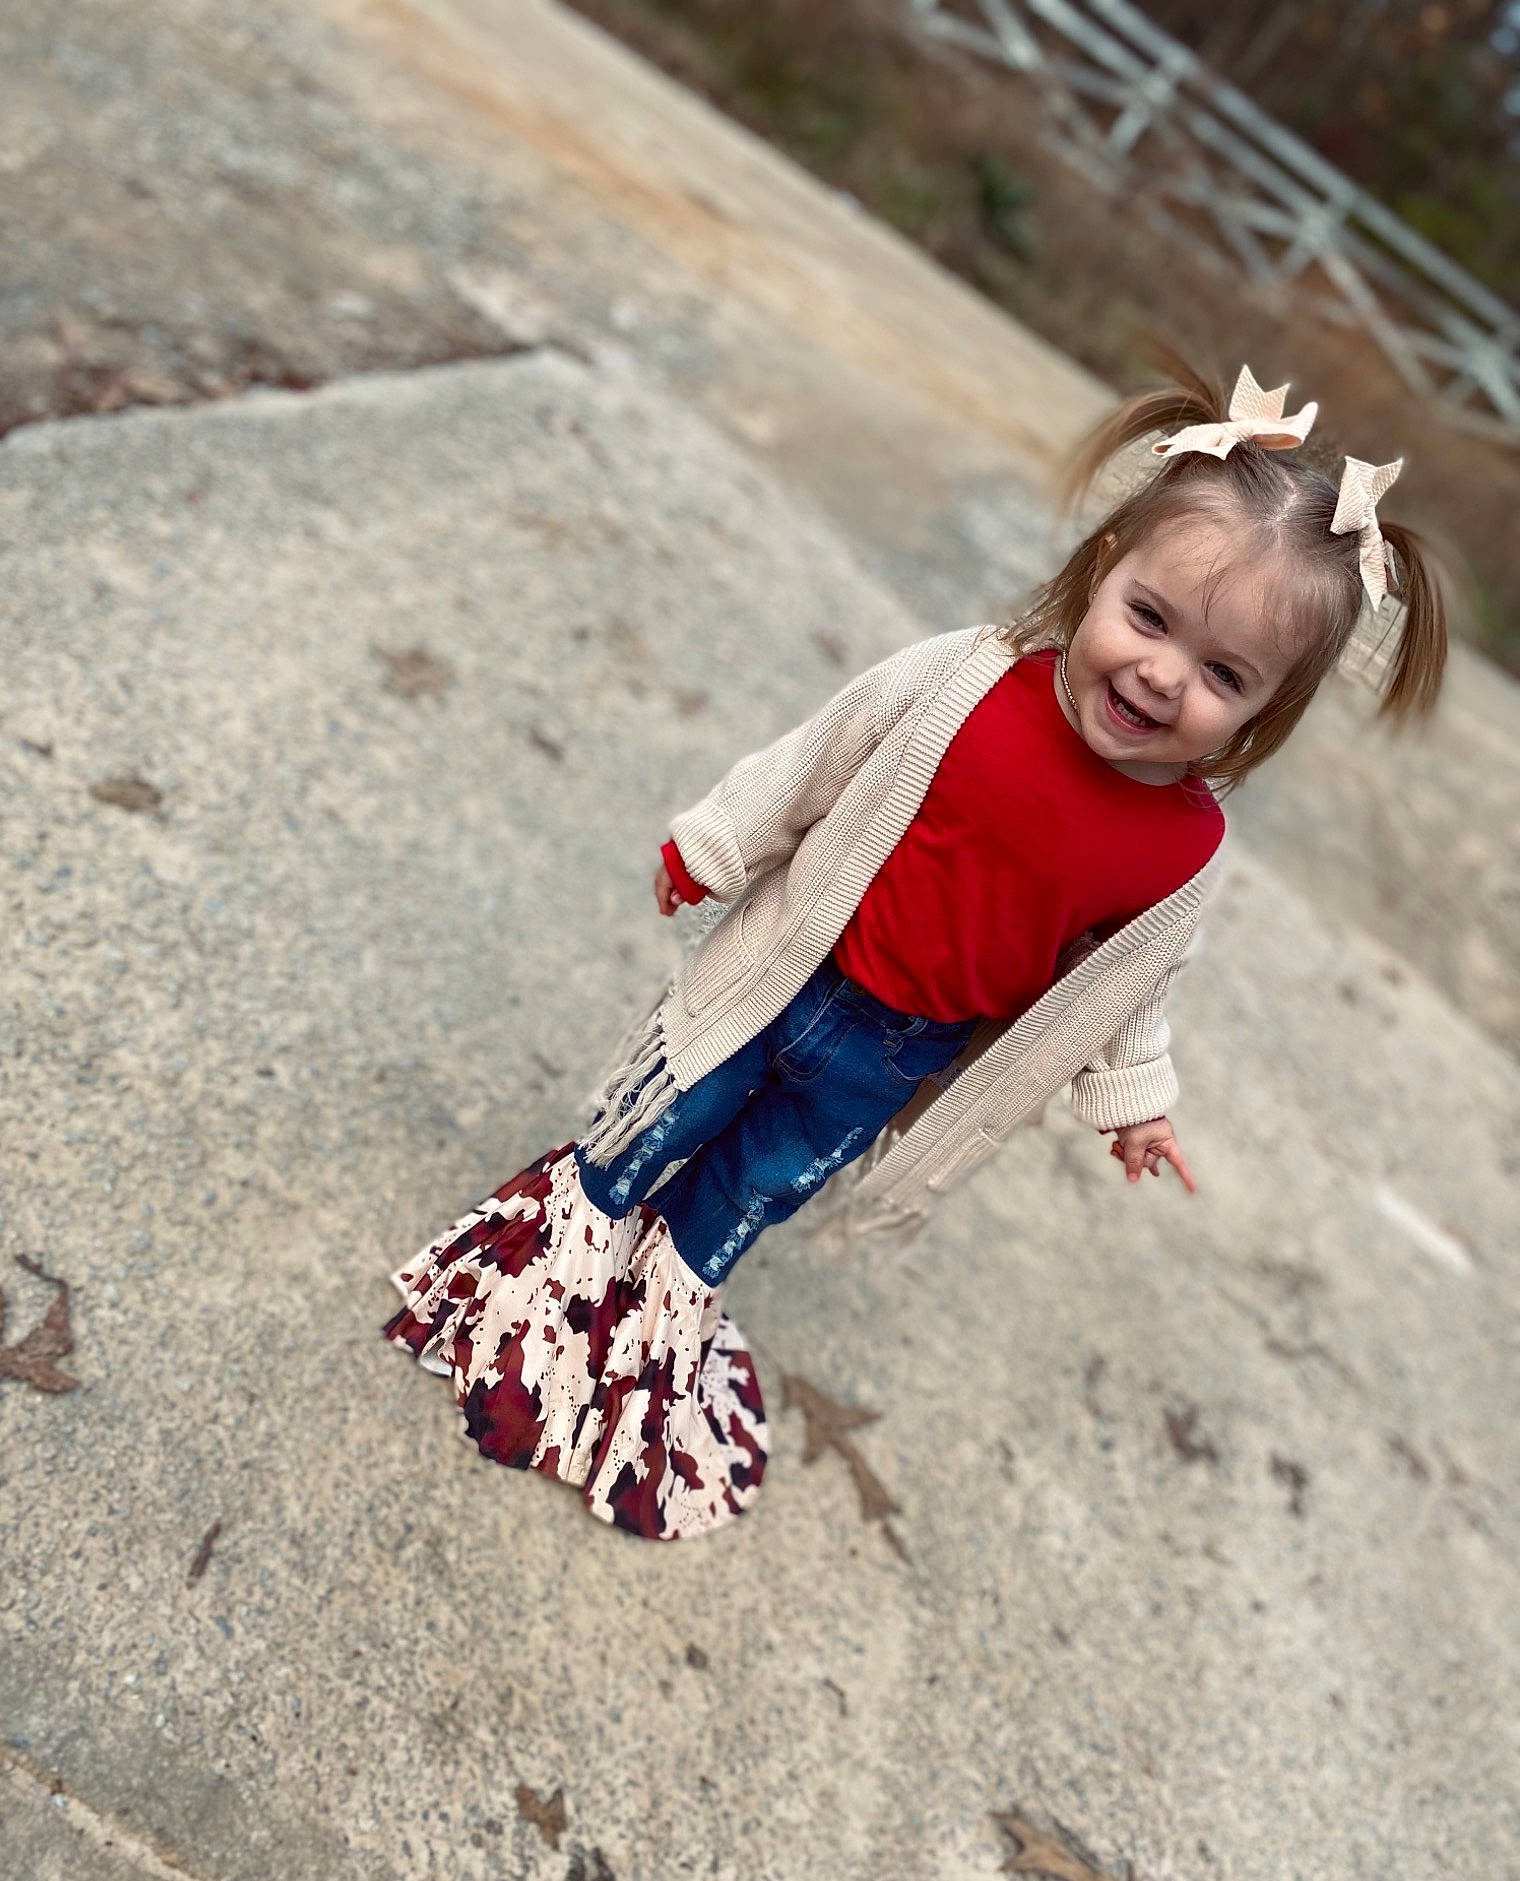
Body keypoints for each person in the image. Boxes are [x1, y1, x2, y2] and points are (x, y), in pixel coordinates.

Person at [384, 362, 1447, 1542]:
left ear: (1263, 715)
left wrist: (1136, 1096)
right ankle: (533, 1315)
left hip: (888, 1061)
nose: (1161, 674)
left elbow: (1134, 980)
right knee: (658, 1125)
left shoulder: (1182, 851)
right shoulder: (968, 680)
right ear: (1103, 576)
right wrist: (720, 841)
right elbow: (823, 753)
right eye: (1150, 618)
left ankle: (633, 1365)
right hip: (789, 973)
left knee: (748, 1190)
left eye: (1223, 675)